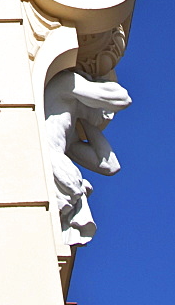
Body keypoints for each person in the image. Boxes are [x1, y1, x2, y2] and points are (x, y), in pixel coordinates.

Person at [44, 69, 131, 245]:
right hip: (48, 161)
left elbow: (110, 166)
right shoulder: (68, 83)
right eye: (105, 113)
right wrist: (90, 103)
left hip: (57, 165)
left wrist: (86, 120)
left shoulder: (69, 136)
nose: (105, 118)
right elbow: (123, 98)